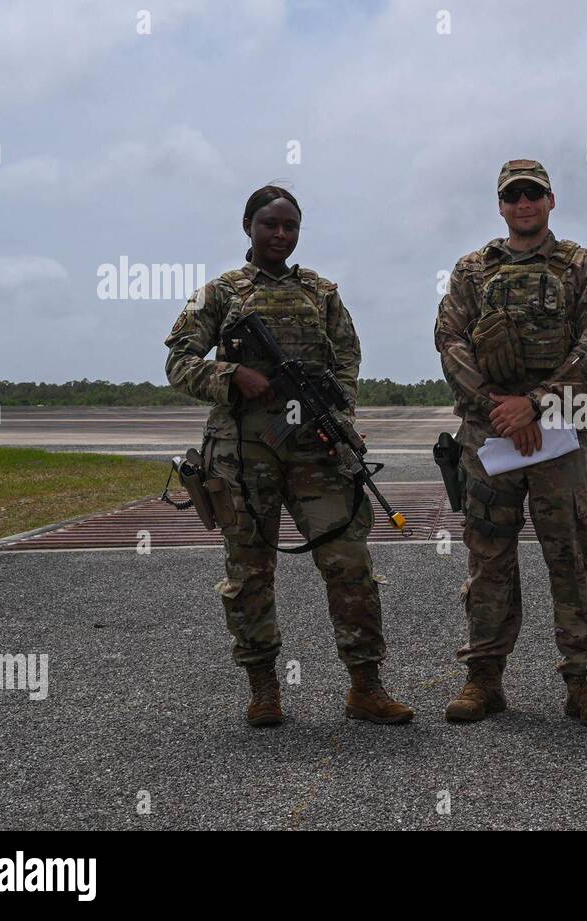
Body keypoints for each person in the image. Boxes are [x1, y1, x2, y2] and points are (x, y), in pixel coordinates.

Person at [164, 184, 413, 727]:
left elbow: (347, 356)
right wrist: (234, 376)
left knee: (350, 565)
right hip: (243, 452)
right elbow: (179, 363)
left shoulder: (321, 293)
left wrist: (336, 410)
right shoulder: (221, 294)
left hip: (314, 450)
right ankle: (263, 690)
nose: (280, 235)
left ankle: (366, 687)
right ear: (248, 227)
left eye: (290, 227)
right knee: (250, 572)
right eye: (270, 224)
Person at [434, 159, 587, 727]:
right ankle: (483, 680)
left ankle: (586, 685)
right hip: (490, 437)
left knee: (572, 558)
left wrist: (535, 402)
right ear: (500, 205)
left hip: (560, 438)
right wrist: (501, 406)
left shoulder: (584, 268)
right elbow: (449, 339)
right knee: (489, 558)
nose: (523, 204)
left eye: (533, 194)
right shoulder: (471, 271)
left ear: (551, 200)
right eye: (513, 196)